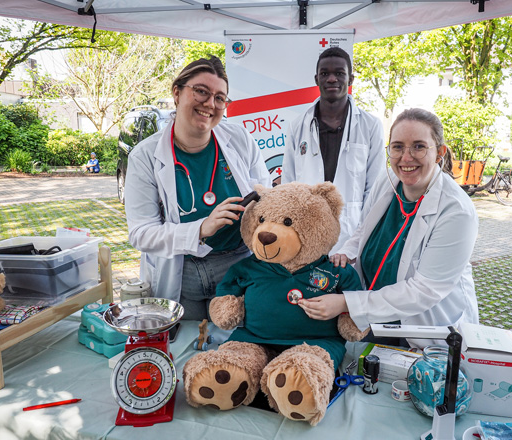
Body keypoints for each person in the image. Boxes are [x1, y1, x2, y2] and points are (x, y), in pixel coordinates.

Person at [298, 108, 479, 345]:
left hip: (425, 329)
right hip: (375, 315)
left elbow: (423, 291)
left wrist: (347, 303)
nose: (406, 157)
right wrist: (348, 253)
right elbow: (365, 229)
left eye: (418, 146)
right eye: (397, 147)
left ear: (439, 153)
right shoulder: (388, 180)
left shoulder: (456, 211)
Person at [125, 56, 271, 321]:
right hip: (182, 273)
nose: (210, 104)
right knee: (185, 350)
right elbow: (141, 233)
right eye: (201, 91)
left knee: (234, 350)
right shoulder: (145, 156)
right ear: (177, 93)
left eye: (219, 98)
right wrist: (201, 229)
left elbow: (265, 195)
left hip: (237, 268)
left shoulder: (239, 140)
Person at [283, 47, 385, 254]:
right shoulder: (298, 126)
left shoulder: (370, 125)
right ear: (316, 79)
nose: (331, 79)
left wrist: (359, 242)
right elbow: (288, 185)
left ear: (351, 79)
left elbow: (374, 190)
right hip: (306, 234)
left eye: (339, 73)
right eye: (325, 74)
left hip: (352, 236)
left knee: (349, 286)